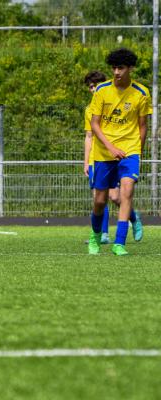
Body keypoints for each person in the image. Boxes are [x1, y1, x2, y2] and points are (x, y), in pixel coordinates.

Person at [88, 48, 152, 256]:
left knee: (126, 192)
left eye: (121, 68)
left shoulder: (141, 93)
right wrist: (110, 147)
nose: (116, 72)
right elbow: (95, 124)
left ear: (130, 68)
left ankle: (119, 243)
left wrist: (137, 152)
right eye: (114, 68)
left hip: (130, 150)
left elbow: (143, 126)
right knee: (100, 200)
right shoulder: (101, 91)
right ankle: (95, 236)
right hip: (105, 152)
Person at [83, 71, 143, 245]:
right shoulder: (89, 110)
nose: (93, 89)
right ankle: (103, 234)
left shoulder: (117, 101)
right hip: (98, 158)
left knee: (116, 197)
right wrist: (86, 161)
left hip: (117, 155)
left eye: (95, 85)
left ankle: (134, 218)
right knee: (99, 198)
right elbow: (89, 136)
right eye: (91, 87)